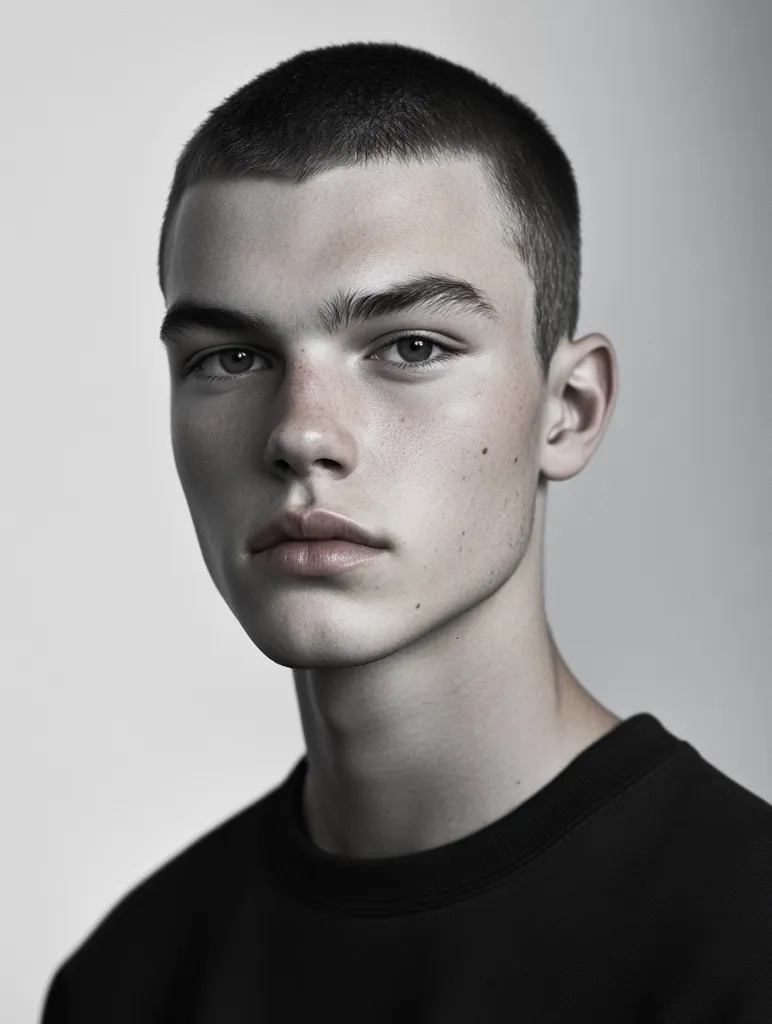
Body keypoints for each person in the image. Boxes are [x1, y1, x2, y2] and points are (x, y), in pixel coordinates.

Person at [41, 40, 772, 1022]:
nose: (301, 431)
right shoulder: (129, 981)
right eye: (229, 357)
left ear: (569, 408)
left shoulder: (743, 940)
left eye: (411, 346)